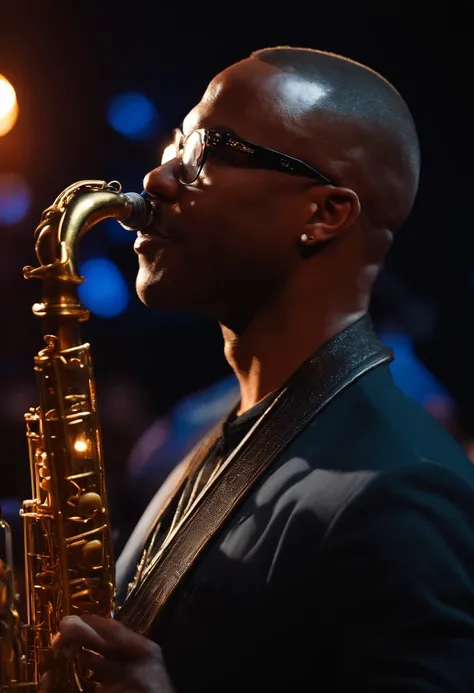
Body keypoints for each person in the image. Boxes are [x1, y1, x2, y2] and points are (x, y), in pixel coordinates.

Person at [48, 46, 474, 692]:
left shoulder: (409, 487)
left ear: (324, 213)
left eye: (206, 151)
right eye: (173, 147)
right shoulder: (210, 434)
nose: (158, 179)